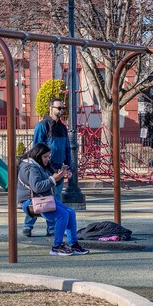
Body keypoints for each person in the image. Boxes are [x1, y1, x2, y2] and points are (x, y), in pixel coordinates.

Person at [21, 142, 89, 256]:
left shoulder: (39, 165)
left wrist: (62, 175)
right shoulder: (30, 167)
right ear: (37, 155)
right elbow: (37, 187)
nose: (47, 159)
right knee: (62, 215)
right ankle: (56, 246)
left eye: (48, 156)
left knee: (71, 213)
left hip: (43, 198)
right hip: (32, 202)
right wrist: (53, 179)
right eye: (45, 157)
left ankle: (73, 244)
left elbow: (52, 178)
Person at [32, 97, 72, 234]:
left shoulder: (62, 128)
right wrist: (40, 167)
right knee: (39, 198)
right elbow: (36, 149)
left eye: (62, 108)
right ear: (51, 108)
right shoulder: (42, 126)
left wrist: (68, 167)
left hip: (58, 168)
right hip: (45, 168)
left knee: (55, 198)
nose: (61, 111)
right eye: (58, 108)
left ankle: (51, 227)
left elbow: (67, 149)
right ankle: (28, 225)